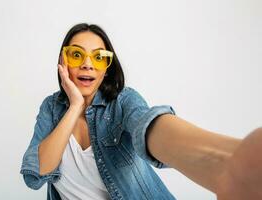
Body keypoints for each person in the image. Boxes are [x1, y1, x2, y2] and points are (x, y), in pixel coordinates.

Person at [20, 23, 261, 200]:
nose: (87, 63)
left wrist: (225, 164)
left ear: (107, 68)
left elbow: (149, 127)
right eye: (76, 55)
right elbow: (38, 172)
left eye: (99, 57)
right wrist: (74, 107)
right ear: (63, 61)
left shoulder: (123, 101)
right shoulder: (51, 108)